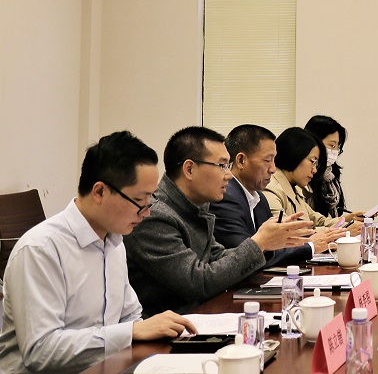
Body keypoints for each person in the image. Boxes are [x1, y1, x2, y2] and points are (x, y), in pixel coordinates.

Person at [0, 131, 197, 374]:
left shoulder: (114, 242)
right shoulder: (41, 250)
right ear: (100, 191)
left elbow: (130, 316)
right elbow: (41, 351)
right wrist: (131, 332)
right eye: (140, 200)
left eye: (150, 200)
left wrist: (147, 330)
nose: (146, 213)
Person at [124, 126, 313, 315]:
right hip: (169, 326)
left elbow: (217, 256)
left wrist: (266, 245)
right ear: (189, 169)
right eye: (222, 165)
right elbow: (198, 282)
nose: (229, 175)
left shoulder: (196, 207)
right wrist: (259, 242)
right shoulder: (154, 216)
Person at [210, 124, 346, 266]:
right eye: (267, 161)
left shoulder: (259, 198)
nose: (273, 169)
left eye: (274, 160)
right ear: (241, 161)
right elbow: (249, 256)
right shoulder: (225, 197)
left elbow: (277, 244)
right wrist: (311, 246)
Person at [263, 127, 360, 235]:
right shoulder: (271, 189)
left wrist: (348, 220)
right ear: (295, 154)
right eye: (313, 162)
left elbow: (318, 220)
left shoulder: (295, 189)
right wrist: (341, 231)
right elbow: (287, 233)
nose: (314, 170)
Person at [304, 115, 365, 223]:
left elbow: (327, 220)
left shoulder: (331, 175)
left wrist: (350, 218)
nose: (335, 151)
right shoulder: (304, 178)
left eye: (338, 147)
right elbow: (309, 223)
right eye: (332, 146)